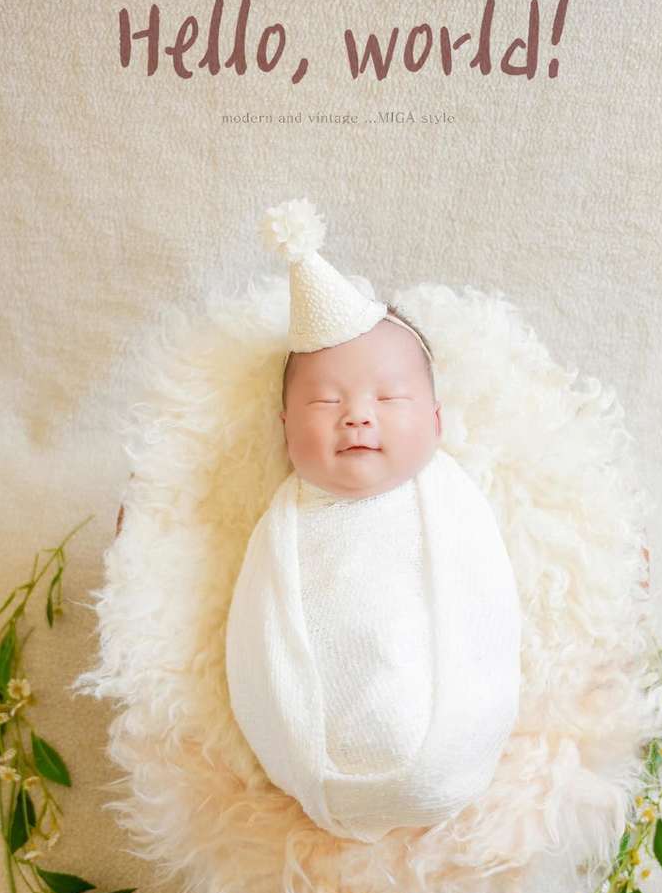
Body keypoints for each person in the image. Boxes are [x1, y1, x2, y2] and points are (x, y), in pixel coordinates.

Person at [224, 199, 523, 843]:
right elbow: (260, 632)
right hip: (319, 766)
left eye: (389, 397)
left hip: (447, 747)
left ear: (436, 423)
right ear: (285, 429)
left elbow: (487, 604)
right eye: (325, 401)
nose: (357, 415)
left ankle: (428, 772)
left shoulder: (451, 498)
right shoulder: (283, 525)